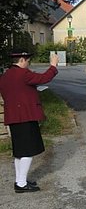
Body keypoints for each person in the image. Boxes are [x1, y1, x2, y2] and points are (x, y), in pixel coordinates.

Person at [0, 50, 59, 193]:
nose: (28, 64)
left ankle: (20, 180)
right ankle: (21, 184)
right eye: (27, 61)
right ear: (21, 60)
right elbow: (44, 78)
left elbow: (17, 92)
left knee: (19, 151)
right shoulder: (23, 74)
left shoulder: (5, 75)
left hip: (13, 116)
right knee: (28, 150)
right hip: (26, 115)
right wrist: (53, 66)